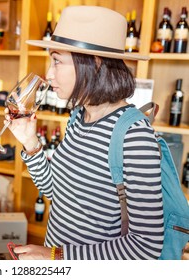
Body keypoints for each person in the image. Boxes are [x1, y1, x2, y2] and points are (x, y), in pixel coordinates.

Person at [9, 6, 164, 260]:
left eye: (57, 61)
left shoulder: (134, 135)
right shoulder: (78, 117)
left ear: (95, 62)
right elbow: (55, 193)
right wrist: (31, 143)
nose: (48, 74)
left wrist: (56, 256)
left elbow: (145, 247)